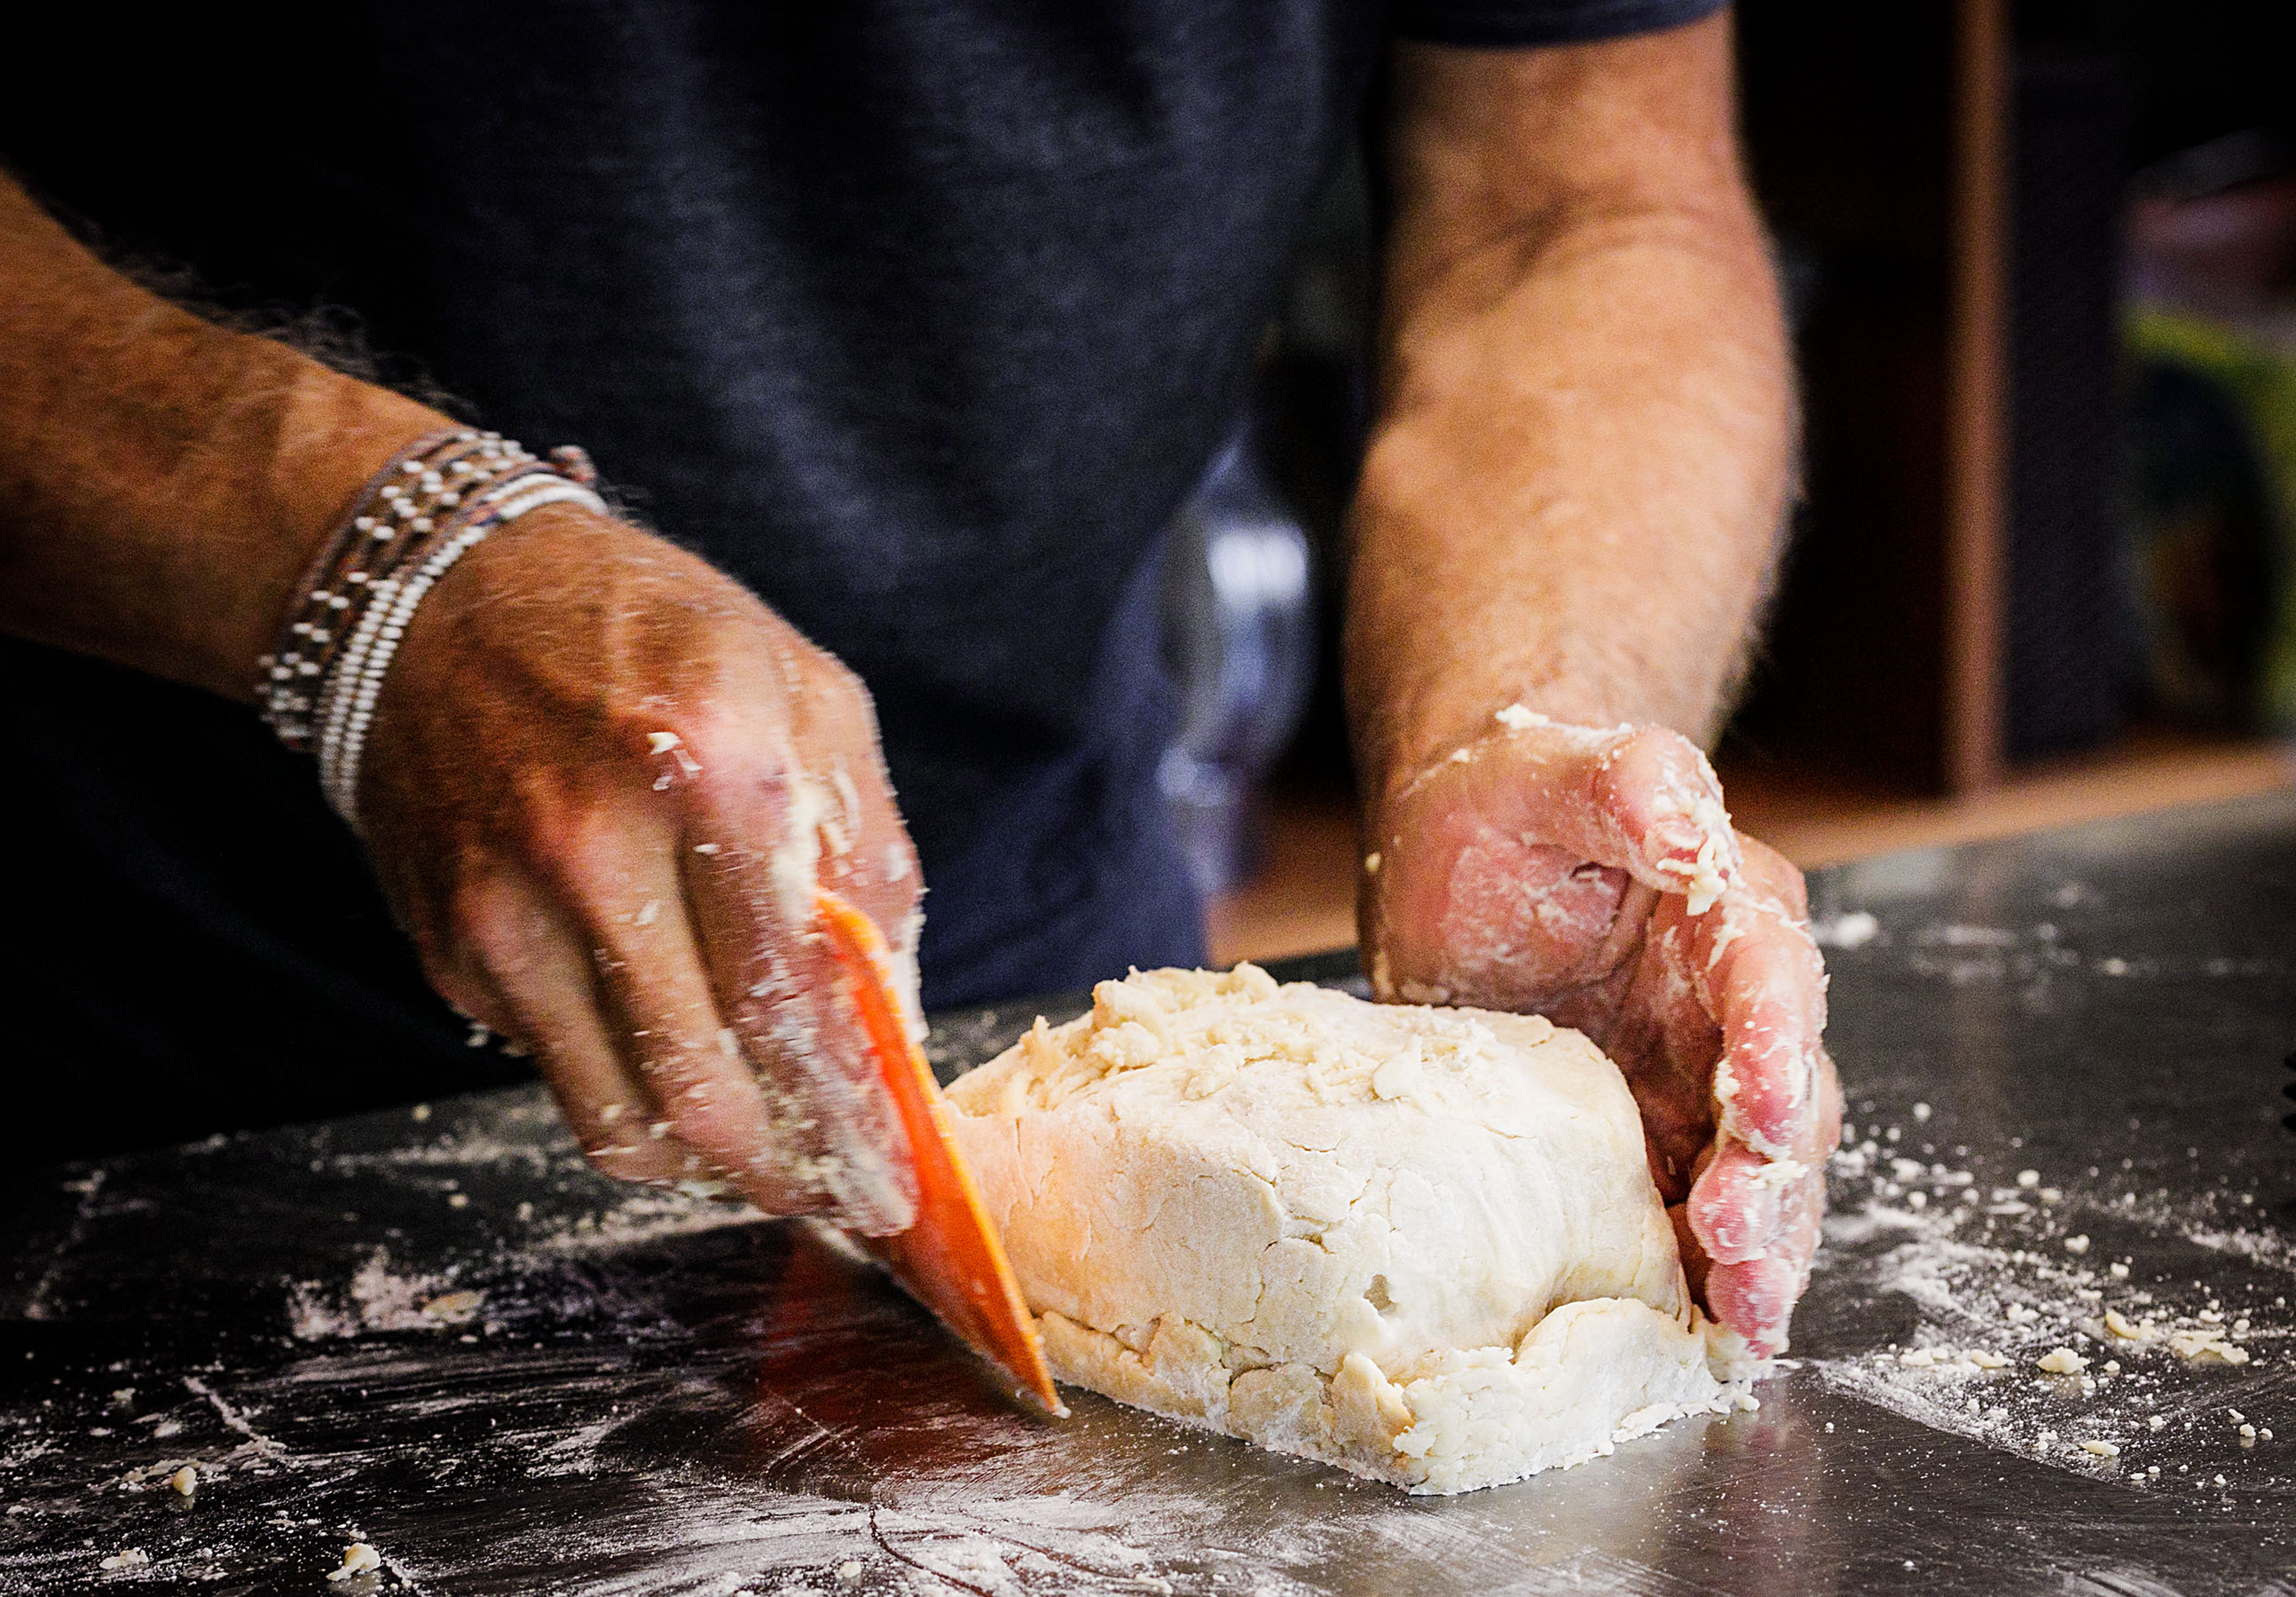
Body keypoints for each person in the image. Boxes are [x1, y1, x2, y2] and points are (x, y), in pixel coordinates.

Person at [0, 3, 1834, 1350]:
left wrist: (1525, 711)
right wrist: (353, 552)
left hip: (1032, 1048)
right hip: (132, 1074)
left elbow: (1572, 203)